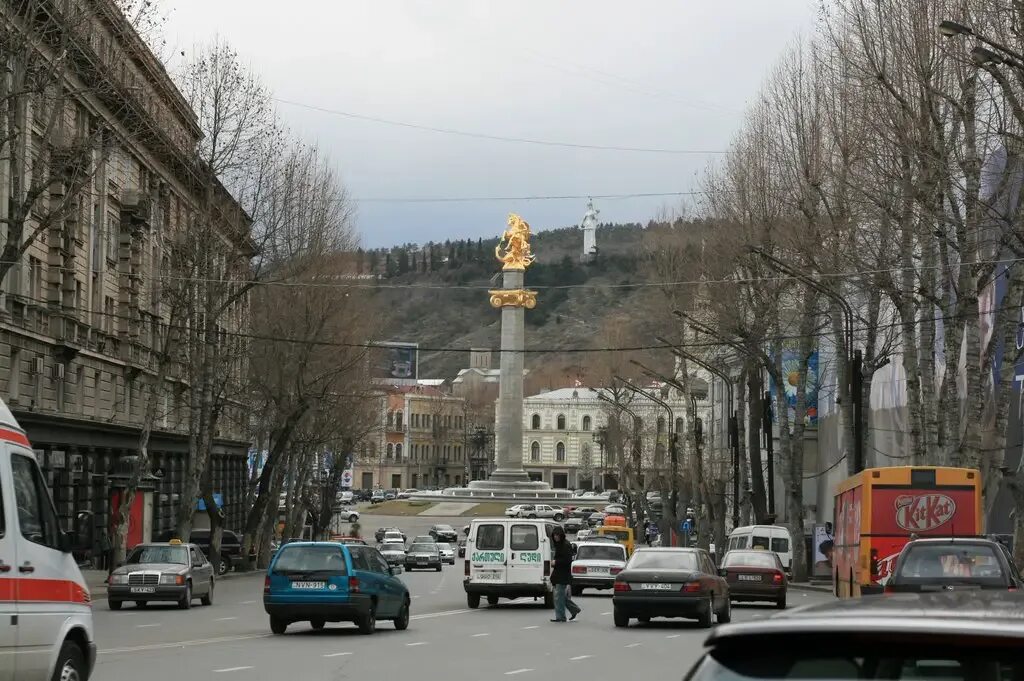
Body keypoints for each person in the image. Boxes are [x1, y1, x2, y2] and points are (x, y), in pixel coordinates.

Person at [549, 528, 582, 623]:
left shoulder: (565, 545)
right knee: (561, 596)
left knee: (558, 597)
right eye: (554, 535)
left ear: (561, 535)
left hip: (563, 574)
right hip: (559, 574)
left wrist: (556, 562)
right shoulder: (559, 545)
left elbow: (567, 560)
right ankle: (574, 609)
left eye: (557, 535)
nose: (555, 537)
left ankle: (561, 617)